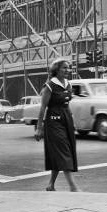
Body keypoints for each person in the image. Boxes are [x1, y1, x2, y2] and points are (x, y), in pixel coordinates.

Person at [34, 59, 80, 192]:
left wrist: (73, 121)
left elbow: (67, 105)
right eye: (64, 68)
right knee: (63, 151)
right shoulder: (49, 85)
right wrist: (39, 128)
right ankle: (73, 187)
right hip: (54, 122)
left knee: (61, 152)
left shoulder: (68, 84)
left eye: (69, 68)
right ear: (57, 70)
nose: (67, 70)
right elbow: (43, 107)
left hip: (66, 121)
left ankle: (51, 185)